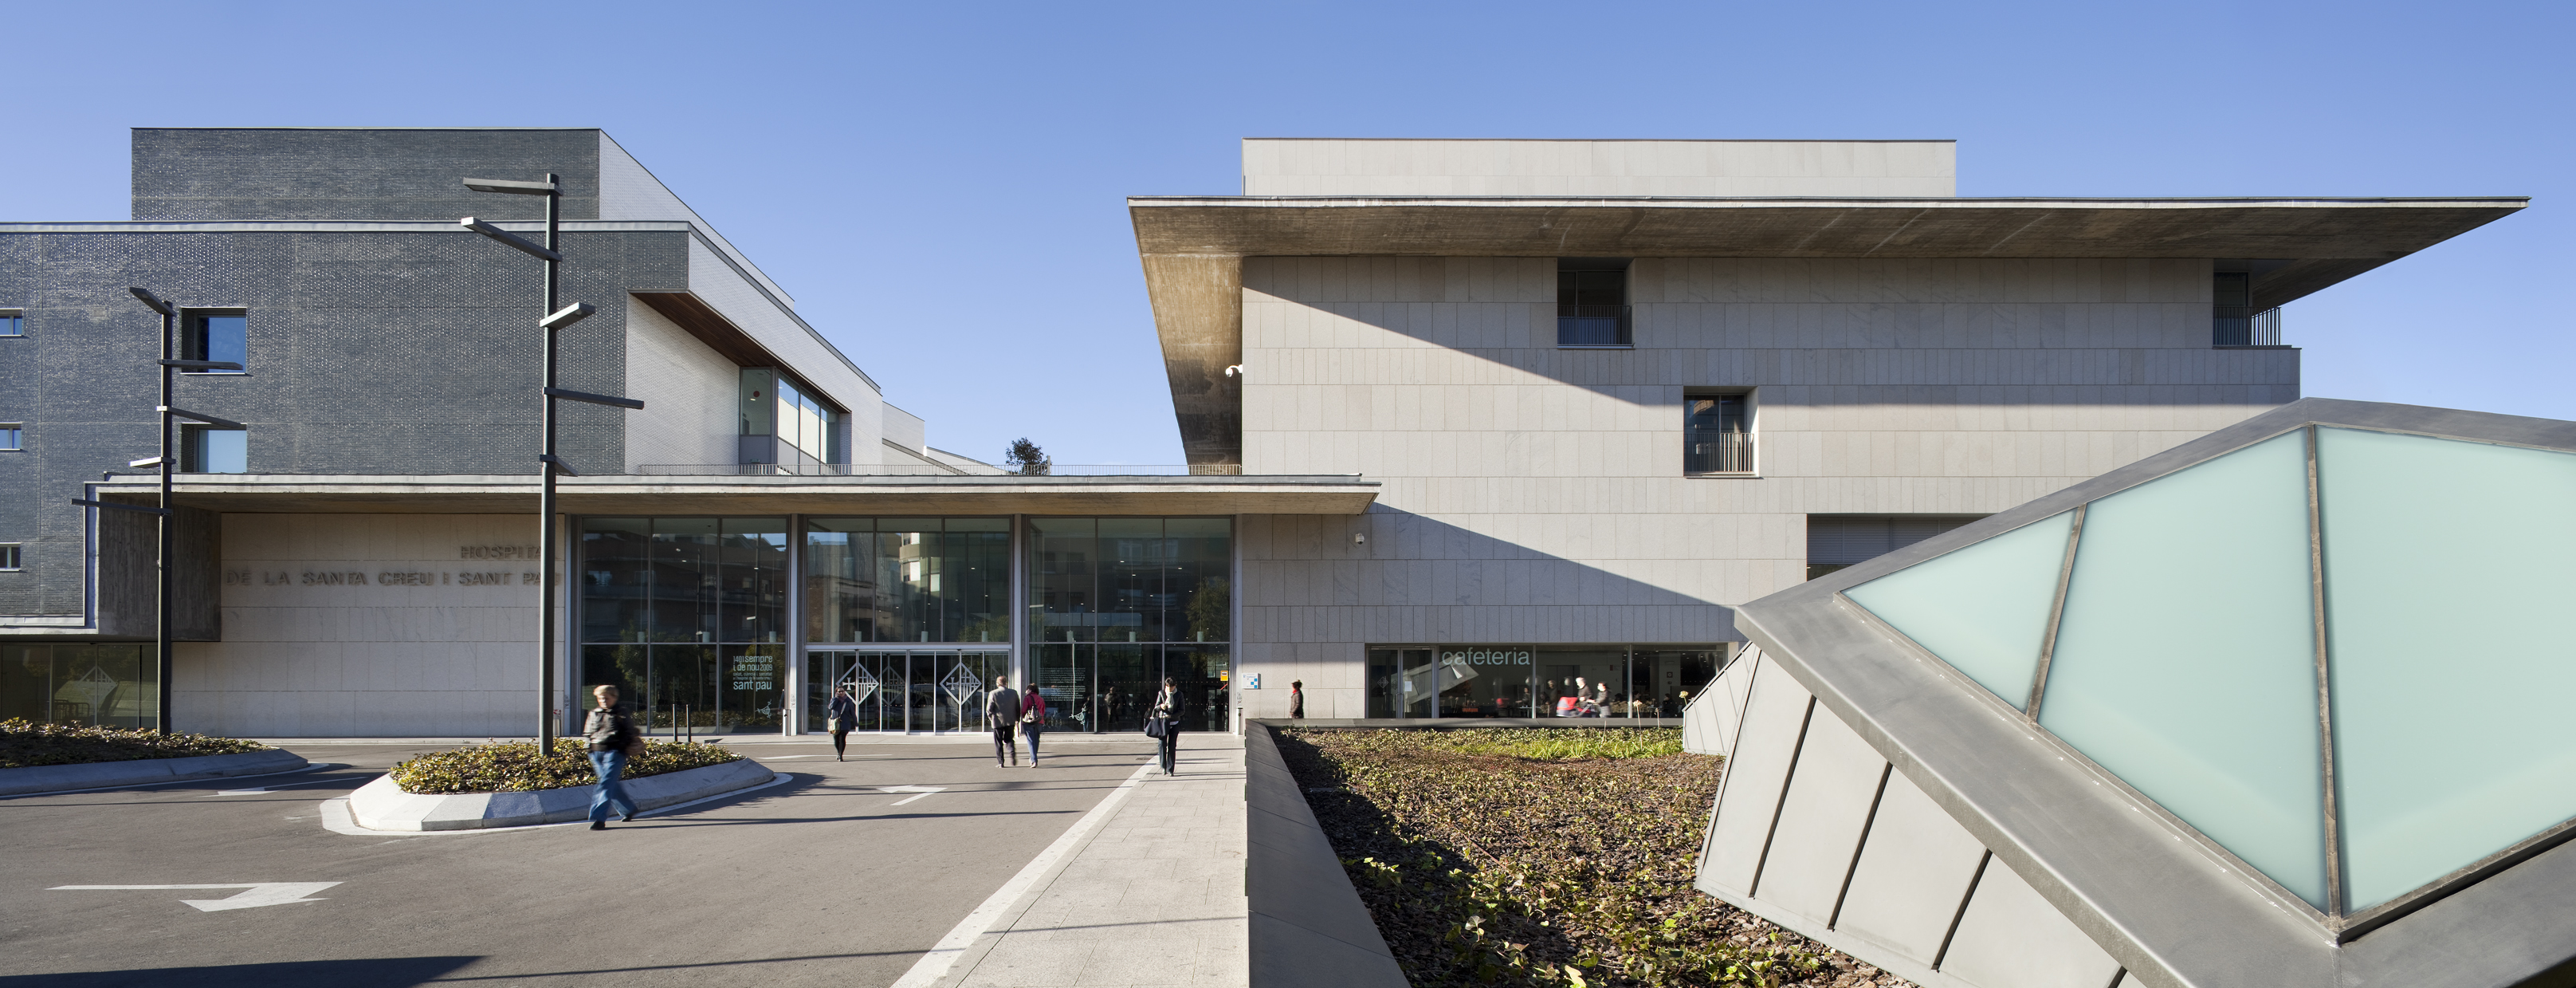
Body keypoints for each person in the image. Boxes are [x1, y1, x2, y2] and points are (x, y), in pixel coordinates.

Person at [583, 685, 642, 830]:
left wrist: (620, 746)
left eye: (607, 698)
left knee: (605, 784)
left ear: (614, 698)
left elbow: (629, 732)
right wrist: (588, 748)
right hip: (596, 753)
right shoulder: (594, 713)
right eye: (600, 697)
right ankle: (628, 809)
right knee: (611, 785)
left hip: (615, 753)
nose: (603, 700)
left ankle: (599, 818)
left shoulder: (621, 713)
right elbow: (587, 733)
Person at [1149, 676, 1182, 775]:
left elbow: (1182, 710)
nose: (1168, 689)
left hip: (1174, 723)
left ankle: (1170, 769)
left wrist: (1171, 716)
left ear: (1174, 686)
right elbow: (1156, 707)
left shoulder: (1179, 695)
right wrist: (1161, 706)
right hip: (1163, 723)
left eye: (1170, 687)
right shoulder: (1161, 693)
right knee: (1162, 745)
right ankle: (1163, 767)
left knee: (1172, 746)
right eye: (1167, 686)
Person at [987, 675, 1022, 767]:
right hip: (1010, 720)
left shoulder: (993, 693)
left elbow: (989, 709)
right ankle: (1012, 752)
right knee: (1009, 739)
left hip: (997, 721)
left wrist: (991, 718)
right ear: (1006, 683)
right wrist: (1017, 719)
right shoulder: (1014, 693)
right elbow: (1018, 707)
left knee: (998, 742)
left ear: (997, 683)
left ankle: (1000, 762)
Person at [825, 686, 858, 761]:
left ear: (845, 691)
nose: (841, 693)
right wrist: (836, 699)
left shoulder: (848, 701)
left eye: (842, 691)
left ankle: (840, 755)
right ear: (837, 692)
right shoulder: (834, 700)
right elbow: (830, 707)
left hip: (845, 722)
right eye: (839, 691)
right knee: (836, 740)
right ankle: (838, 752)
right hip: (835, 723)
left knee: (842, 739)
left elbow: (852, 712)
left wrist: (855, 722)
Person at [1020, 683, 1046, 766]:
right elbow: (1043, 711)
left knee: (1031, 741)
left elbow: (1024, 710)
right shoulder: (1041, 699)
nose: (1026, 691)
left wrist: (1022, 717)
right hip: (1039, 721)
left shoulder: (1027, 698)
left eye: (1027, 689)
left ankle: (1034, 760)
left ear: (1030, 690)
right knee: (1036, 740)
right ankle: (1033, 757)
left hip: (1029, 722)